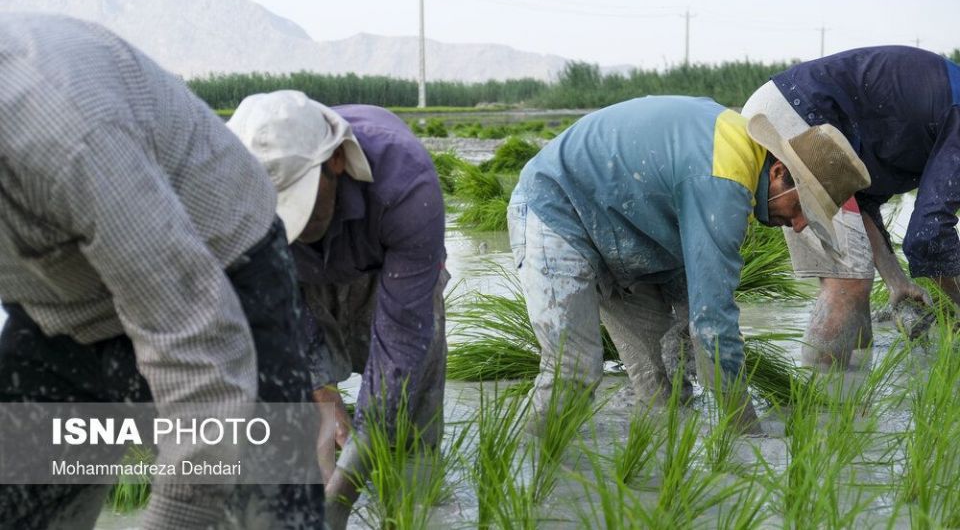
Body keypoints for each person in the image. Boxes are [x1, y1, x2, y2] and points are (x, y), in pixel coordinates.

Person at [0, 15, 323, 529]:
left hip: (218, 276)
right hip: (53, 306)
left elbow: (198, 350)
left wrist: (176, 517)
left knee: (263, 516)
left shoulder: (63, 135)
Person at [508, 95, 870, 432]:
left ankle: (651, 477)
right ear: (778, 173)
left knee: (664, 389)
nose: (800, 225)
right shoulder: (723, 178)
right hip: (557, 208)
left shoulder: (737, 161)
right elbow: (712, 323)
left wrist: (695, 348)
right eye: (803, 209)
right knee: (574, 370)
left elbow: (698, 309)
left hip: (626, 232)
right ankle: (529, 468)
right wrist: (745, 432)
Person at [227, 90, 448, 528]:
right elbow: (263, 305)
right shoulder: (228, 200)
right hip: (293, 279)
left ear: (336, 162)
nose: (290, 227)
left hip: (384, 268)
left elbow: (401, 342)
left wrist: (343, 497)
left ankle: (409, 511)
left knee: (409, 418)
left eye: (299, 205)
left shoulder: (406, 183)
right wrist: (320, 387)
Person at [742, 46, 960, 366]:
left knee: (852, 270)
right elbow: (928, 235)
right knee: (849, 275)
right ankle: (824, 398)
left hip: (794, 109)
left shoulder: (932, 124)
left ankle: (852, 390)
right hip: (798, 117)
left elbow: (858, 195)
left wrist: (896, 282)